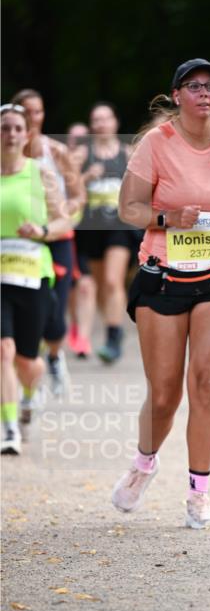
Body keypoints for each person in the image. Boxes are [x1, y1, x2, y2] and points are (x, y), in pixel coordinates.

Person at [111, 58, 210, 529]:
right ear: (176, 96)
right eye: (194, 86)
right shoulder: (157, 144)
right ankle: (145, 463)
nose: (205, 94)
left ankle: (199, 496)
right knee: (165, 393)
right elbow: (128, 208)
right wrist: (168, 219)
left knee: (207, 382)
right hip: (163, 275)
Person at [1, 104, 71, 453]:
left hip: (32, 274)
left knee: (28, 361)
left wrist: (41, 230)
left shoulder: (40, 174)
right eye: (4, 128)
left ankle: (29, 395)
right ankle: (9, 428)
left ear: (26, 134)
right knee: (3, 350)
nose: (10, 134)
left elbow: (64, 223)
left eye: (17, 128)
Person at [12, 89, 85, 395]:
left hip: (56, 239)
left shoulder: (55, 152)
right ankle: (28, 366)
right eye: (25, 112)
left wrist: (64, 212)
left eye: (37, 112)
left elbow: (79, 195)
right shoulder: (6, 154)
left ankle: (54, 356)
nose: (32, 118)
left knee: (54, 311)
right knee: (22, 308)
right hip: (17, 241)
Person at [75, 102, 135, 363]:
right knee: (100, 286)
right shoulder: (81, 155)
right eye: (95, 120)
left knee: (112, 281)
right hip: (92, 228)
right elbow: (65, 187)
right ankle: (114, 327)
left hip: (120, 227)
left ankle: (112, 336)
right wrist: (86, 177)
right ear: (91, 125)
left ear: (115, 122)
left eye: (105, 119)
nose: (100, 124)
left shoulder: (128, 153)